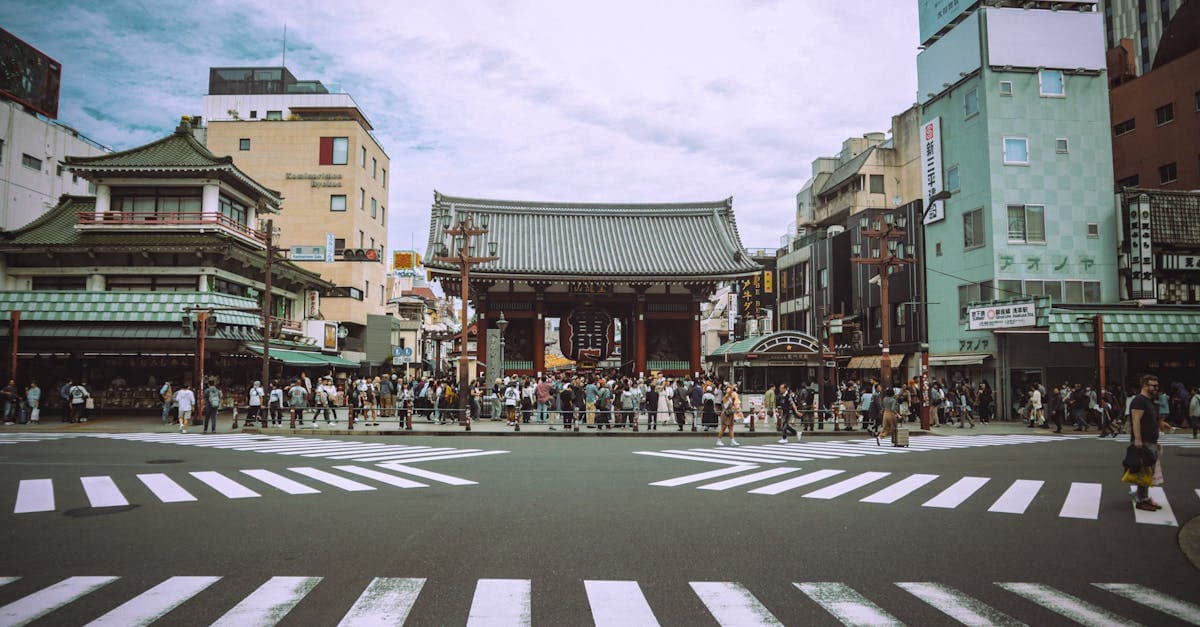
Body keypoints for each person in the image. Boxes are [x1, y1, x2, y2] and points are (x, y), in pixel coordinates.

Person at [1129, 374, 1164, 511]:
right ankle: (1141, 500)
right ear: (1144, 385)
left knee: (1147, 471)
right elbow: (1135, 420)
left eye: (1157, 385)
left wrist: (1160, 428)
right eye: (1153, 385)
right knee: (1144, 472)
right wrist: (1138, 440)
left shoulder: (1149, 401)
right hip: (1143, 442)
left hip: (1150, 441)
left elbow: (1150, 421)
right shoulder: (1139, 401)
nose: (1156, 387)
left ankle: (1143, 497)